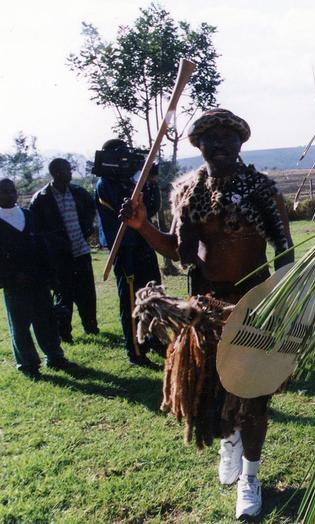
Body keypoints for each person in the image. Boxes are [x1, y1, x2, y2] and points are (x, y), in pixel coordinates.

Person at [119, 109, 294, 520]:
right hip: (207, 310)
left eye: (227, 138)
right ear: (199, 146)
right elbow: (180, 254)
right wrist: (143, 225)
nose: (219, 145)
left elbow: (285, 251)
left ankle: (250, 475)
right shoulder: (188, 193)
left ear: (240, 143)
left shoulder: (261, 190)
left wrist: (283, 297)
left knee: (254, 396)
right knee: (218, 393)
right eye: (210, 139)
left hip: (254, 305)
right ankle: (229, 442)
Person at [95, 139, 163, 367]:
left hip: (144, 243)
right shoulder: (105, 184)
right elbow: (124, 209)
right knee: (131, 299)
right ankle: (135, 351)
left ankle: (155, 338)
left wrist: (149, 181)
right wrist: (137, 184)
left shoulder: (133, 179)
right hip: (124, 248)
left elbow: (151, 207)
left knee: (154, 293)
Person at [0, 179, 71, 380]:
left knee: (46, 320)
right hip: (15, 284)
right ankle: (28, 364)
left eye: (12, 190)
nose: (9, 194)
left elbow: (42, 247)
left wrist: (51, 277)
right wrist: (11, 276)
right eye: (3, 191)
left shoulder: (28, 216)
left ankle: (55, 356)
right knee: (20, 326)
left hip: (38, 279)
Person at [29, 158, 98, 343]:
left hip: (81, 252)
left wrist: (87, 229)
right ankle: (64, 333)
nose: (70, 173)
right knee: (64, 296)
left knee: (87, 294)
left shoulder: (78, 192)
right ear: (57, 173)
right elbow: (37, 231)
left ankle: (91, 327)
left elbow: (91, 210)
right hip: (59, 257)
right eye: (67, 170)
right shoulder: (41, 199)